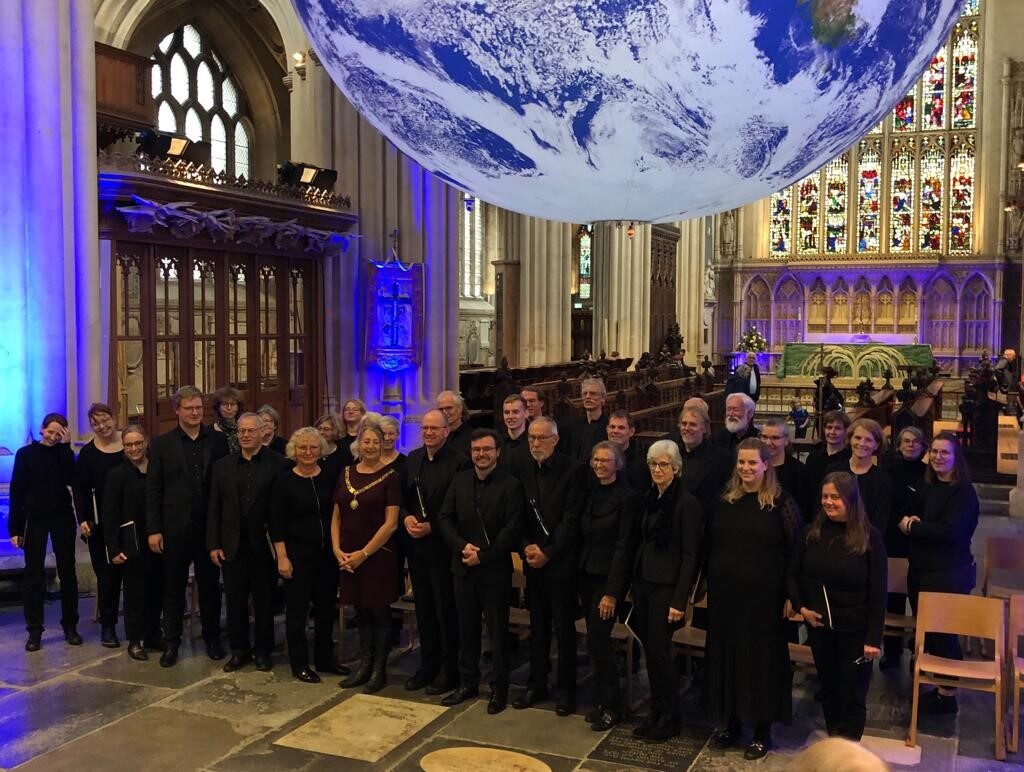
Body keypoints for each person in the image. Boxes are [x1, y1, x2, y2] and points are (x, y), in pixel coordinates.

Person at [706, 438, 801, 761]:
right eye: (741, 463)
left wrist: (791, 594)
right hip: (726, 597)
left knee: (761, 661)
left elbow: (794, 553)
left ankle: (762, 730)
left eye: (752, 463)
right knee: (728, 657)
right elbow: (712, 543)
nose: (746, 468)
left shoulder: (781, 503)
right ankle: (731, 722)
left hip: (764, 599)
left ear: (766, 465)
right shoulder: (725, 499)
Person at [789, 472, 886, 741]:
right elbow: (793, 574)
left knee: (852, 695)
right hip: (821, 631)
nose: (829, 502)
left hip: (856, 633)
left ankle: (849, 750)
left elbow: (879, 593)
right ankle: (835, 743)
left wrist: (873, 639)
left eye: (836, 497)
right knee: (830, 691)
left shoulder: (870, 537)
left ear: (851, 500)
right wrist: (802, 608)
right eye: (825, 497)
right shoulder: (811, 532)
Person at [437, 428, 523, 715]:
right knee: (467, 629)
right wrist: (463, 548)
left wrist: (483, 556)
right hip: (462, 567)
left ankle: (499, 688)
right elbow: (445, 518)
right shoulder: (460, 481)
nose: (481, 455)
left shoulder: (510, 485)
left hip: (494, 570)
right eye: (476, 450)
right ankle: (468, 682)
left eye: (487, 449)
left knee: (497, 633)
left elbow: (512, 528)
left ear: (497, 451)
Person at [146, 386, 230, 667]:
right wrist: (154, 529)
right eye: (189, 408)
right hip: (174, 527)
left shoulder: (218, 441)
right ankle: (172, 642)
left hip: (208, 528)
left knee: (209, 587)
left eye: (198, 408)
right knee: (173, 588)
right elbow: (154, 489)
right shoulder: (161, 444)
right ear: (177, 410)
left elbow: (222, 489)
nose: (195, 413)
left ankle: (212, 638)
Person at [899, 431, 979, 715]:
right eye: (934, 451)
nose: (938, 457)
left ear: (956, 457)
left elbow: (951, 532)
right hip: (921, 569)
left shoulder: (964, 493)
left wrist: (914, 528)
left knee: (944, 634)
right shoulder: (928, 485)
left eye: (945, 452)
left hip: (949, 572)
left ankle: (948, 696)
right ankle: (933, 681)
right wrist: (916, 524)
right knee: (927, 628)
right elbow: (915, 512)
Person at [509, 417, 585, 716]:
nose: (535, 444)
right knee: (537, 627)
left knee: (564, 630)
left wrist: (549, 552)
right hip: (533, 561)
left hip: (562, 563)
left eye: (541, 438)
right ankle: (536, 683)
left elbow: (572, 519)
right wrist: (525, 546)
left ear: (555, 440)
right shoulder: (522, 468)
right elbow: (517, 513)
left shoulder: (574, 470)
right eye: (531, 439)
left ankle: (566, 689)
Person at [631, 440, 704, 742]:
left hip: (667, 589)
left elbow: (691, 556)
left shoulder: (687, 504)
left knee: (661, 654)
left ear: (676, 468)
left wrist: (679, 599)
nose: (657, 470)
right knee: (651, 652)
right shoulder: (652, 497)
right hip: (646, 584)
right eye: (653, 464)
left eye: (663, 465)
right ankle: (656, 710)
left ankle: (671, 716)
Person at [207, 413, 290, 672]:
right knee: (235, 601)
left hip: (263, 545)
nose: (244, 435)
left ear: (262, 432)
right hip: (232, 545)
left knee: (264, 601)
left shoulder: (279, 464)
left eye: (250, 431)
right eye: (241, 431)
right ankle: (239, 650)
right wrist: (214, 543)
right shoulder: (222, 466)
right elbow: (214, 508)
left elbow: (282, 510)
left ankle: (263, 651)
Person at [399, 410, 470, 695]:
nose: (428, 433)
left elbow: (458, 507)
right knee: (424, 609)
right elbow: (402, 498)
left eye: (434, 428)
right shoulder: (413, 459)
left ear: (446, 431)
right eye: (425, 428)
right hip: (417, 547)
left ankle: (449, 669)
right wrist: (406, 517)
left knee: (445, 610)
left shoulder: (460, 463)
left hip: (444, 547)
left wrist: (433, 527)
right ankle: (426, 666)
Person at [270, 427, 346, 683]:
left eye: (313, 447)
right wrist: (282, 557)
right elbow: (276, 524)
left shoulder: (330, 476)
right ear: (294, 450)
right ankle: (299, 664)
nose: (308, 452)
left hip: (326, 556)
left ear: (320, 450)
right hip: (297, 556)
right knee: (297, 613)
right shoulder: (284, 481)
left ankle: (325, 659)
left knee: (326, 610)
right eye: (302, 447)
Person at [333, 423, 401, 693]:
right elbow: (337, 513)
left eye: (375, 441)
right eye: (366, 441)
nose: (370, 446)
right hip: (348, 555)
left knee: (379, 612)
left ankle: (379, 669)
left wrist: (363, 554)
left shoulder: (391, 476)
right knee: (359, 610)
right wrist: (337, 549)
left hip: (377, 555)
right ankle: (364, 664)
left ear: (383, 443)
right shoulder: (346, 472)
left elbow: (391, 523)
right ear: (358, 443)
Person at [577, 441, 639, 732]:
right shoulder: (590, 492)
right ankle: (604, 701)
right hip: (587, 574)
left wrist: (612, 593)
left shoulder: (627, 498)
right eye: (596, 460)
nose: (600, 465)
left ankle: (614, 706)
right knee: (594, 641)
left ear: (618, 464)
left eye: (606, 460)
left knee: (599, 641)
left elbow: (624, 548)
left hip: (607, 581)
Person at [9, 413, 81, 651]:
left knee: (68, 573)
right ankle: (35, 631)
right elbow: (16, 491)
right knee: (33, 576)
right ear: (42, 429)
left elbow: (72, 479)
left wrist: (66, 447)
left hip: (61, 517)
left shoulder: (63, 453)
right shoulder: (25, 454)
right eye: (50, 431)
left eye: (58, 433)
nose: (52, 436)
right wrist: (15, 528)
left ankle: (70, 626)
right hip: (34, 519)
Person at [102, 425, 163, 660]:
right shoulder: (117, 474)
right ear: (123, 447)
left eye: (138, 443)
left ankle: (153, 634)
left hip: (158, 539)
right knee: (136, 593)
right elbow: (110, 514)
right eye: (129, 445)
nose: (134, 448)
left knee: (157, 589)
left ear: (146, 442)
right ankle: (135, 640)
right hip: (132, 543)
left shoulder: (157, 469)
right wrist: (113, 548)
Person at [71, 402, 125, 648]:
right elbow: (80, 490)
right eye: (96, 423)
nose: (102, 426)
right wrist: (82, 519)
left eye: (105, 420)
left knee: (138, 576)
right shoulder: (88, 454)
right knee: (107, 578)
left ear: (114, 418)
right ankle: (108, 626)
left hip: (129, 521)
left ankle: (142, 625)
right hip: (100, 525)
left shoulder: (131, 444)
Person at [879, 426, 928, 669]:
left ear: (923, 447)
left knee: (921, 600)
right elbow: (886, 504)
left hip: (921, 541)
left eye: (915, 442)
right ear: (898, 446)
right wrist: (899, 520)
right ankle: (892, 650)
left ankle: (918, 650)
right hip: (894, 538)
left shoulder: (930, 474)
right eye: (906, 441)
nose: (910, 445)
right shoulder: (889, 473)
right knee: (894, 598)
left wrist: (917, 522)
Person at [826, 418, 892, 535]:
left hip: (866, 543)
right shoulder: (832, 470)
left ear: (876, 445)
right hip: (832, 538)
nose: (862, 443)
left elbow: (880, 523)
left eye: (868, 440)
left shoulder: (883, 480)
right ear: (850, 440)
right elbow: (821, 509)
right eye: (857, 438)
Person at [670, 404, 731, 514]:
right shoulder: (672, 453)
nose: (687, 428)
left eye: (693, 424)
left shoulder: (721, 458)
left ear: (704, 429)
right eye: (684, 424)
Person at [804, 411, 851, 513]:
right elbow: (808, 490)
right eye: (829, 427)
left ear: (846, 431)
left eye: (838, 428)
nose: (832, 432)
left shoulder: (850, 458)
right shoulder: (813, 457)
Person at [760, 418, 806, 516]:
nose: (768, 442)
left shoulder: (799, 470)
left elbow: (803, 508)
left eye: (775, 438)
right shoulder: (755, 467)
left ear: (786, 441)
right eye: (764, 437)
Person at [565, 377, 609, 461]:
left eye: (593, 393)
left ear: (603, 398)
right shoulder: (574, 425)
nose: (588, 396)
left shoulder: (609, 426)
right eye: (585, 393)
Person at [606, 410, 649, 493]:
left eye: (621, 428)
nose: (615, 431)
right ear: (607, 430)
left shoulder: (640, 465)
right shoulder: (597, 460)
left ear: (631, 432)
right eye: (612, 427)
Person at [316, 412, 349, 487]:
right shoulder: (312, 450)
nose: (321, 432)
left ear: (335, 431)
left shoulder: (343, 451)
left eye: (326, 429)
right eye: (319, 428)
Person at [437, 390, 473, 457]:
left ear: (460, 408)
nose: (445, 412)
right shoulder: (436, 435)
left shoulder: (472, 437)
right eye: (441, 409)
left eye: (449, 408)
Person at [498, 394, 529, 467]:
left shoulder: (534, 442)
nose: (510, 416)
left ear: (526, 413)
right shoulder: (497, 442)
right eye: (506, 412)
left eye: (515, 412)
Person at [211, 386, 243, 453]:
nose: (229, 408)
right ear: (218, 407)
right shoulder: (210, 431)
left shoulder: (244, 429)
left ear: (238, 407)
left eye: (233, 404)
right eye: (225, 404)